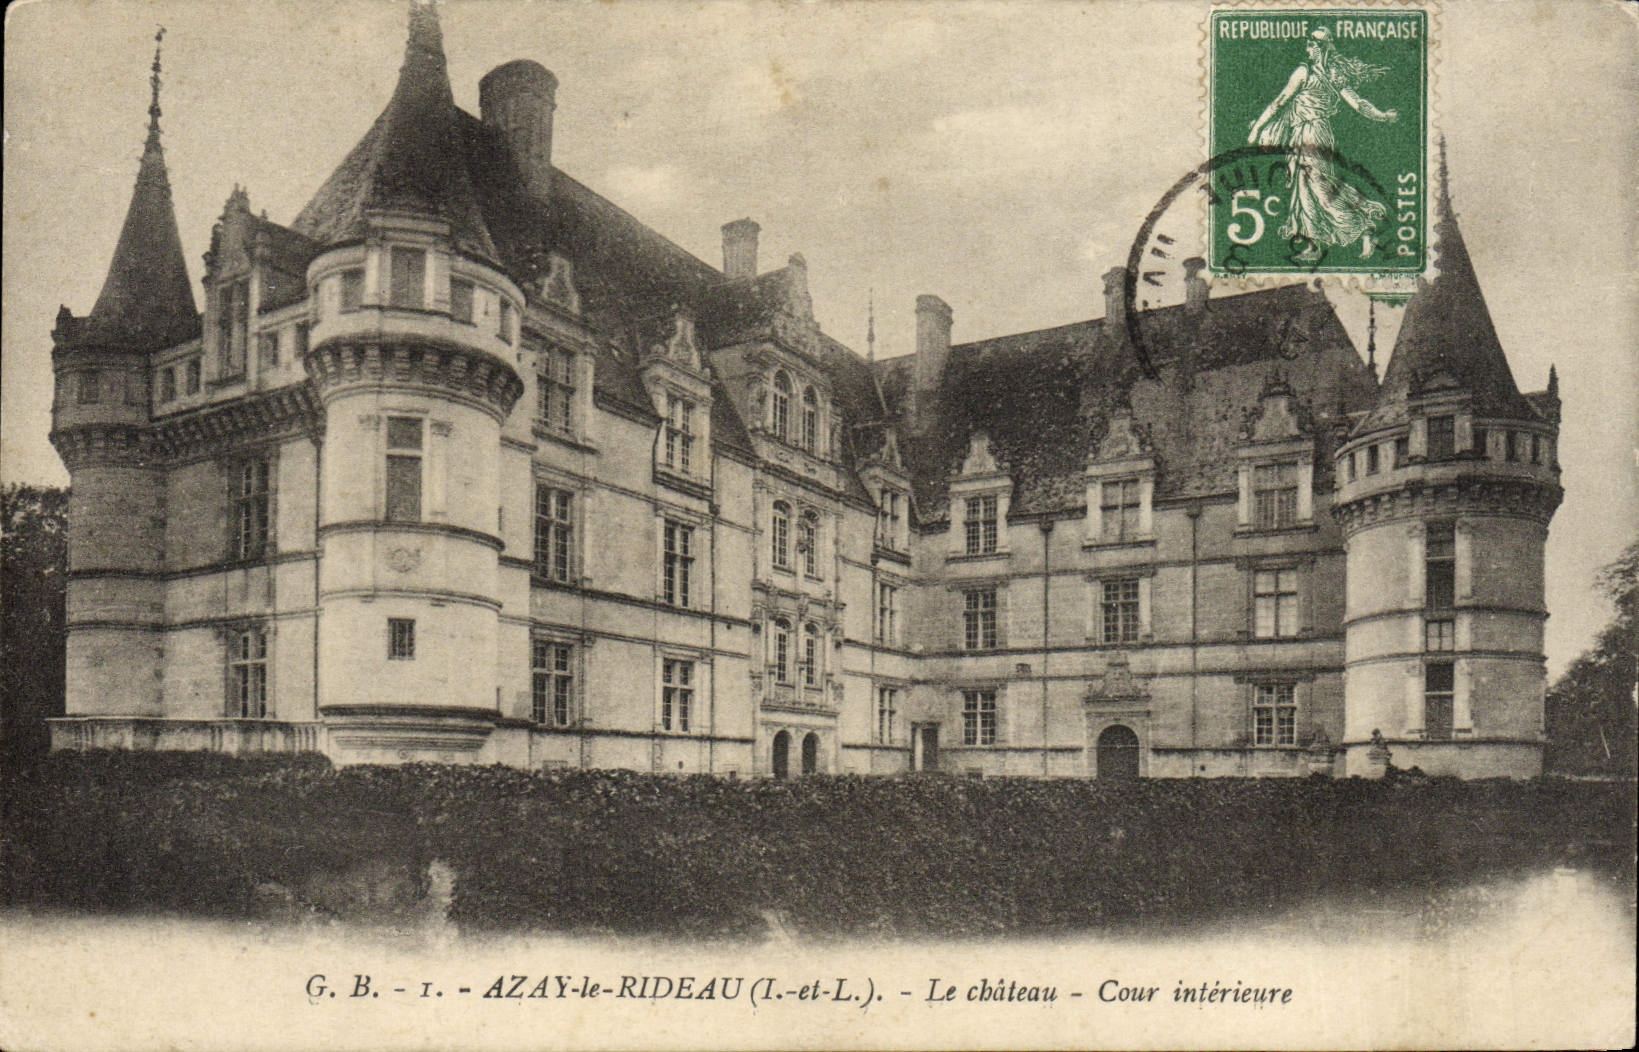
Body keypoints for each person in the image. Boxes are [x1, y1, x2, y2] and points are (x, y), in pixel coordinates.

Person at [1247, 27, 1398, 261]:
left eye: (1311, 46)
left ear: (1320, 48)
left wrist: (1257, 128)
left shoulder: (1307, 72)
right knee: (1304, 187)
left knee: (1318, 185)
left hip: (1312, 133)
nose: (1307, 50)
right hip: (1309, 133)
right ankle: (1313, 244)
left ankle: (1363, 226)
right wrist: (1383, 116)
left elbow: (1279, 102)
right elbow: (1358, 104)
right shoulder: (1332, 74)